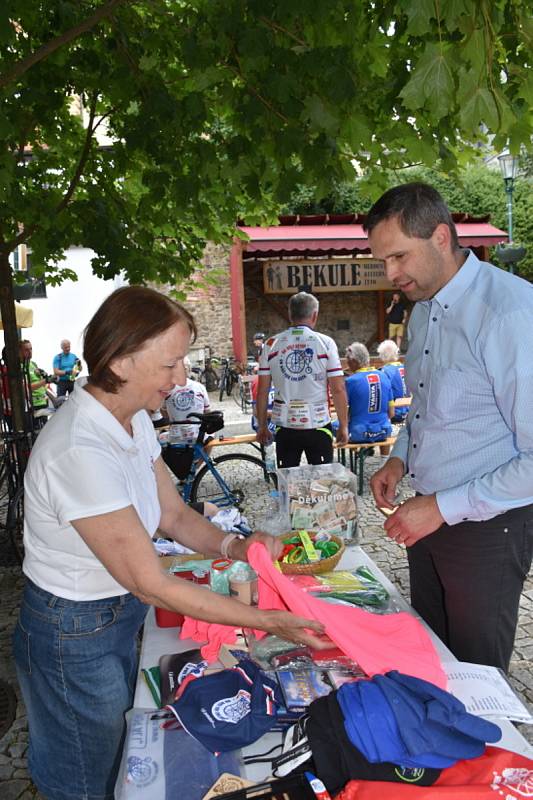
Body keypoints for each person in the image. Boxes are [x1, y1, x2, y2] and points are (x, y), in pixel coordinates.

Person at [13, 286, 328, 800]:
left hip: (113, 612)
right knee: (86, 777)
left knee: (119, 754)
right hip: (74, 628)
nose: (182, 378)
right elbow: (151, 583)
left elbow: (174, 515)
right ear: (119, 360)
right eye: (171, 365)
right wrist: (270, 622)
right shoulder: (80, 449)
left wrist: (237, 546)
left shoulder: (131, 416)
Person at [366, 181, 533, 672]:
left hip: (488, 524)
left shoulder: (511, 312)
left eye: (398, 257)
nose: (390, 274)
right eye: (383, 261)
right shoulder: (422, 312)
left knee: (477, 674)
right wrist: (399, 455)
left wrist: (439, 508)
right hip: (429, 513)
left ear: (441, 237)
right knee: (432, 661)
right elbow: (426, 408)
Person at [255, 291, 348, 467]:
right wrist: (343, 424)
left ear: (290, 314)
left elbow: (262, 391)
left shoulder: (270, 344)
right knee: (323, 485)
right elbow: (338, 389)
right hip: (318, 424)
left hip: (285, 426)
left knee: (288, 483)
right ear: (315, 315)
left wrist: (262, 426)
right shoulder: (326, 342)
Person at [344, 342, 393, 444]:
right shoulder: (384, 376)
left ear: (353, 361)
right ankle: (383, 456)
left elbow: (344, 415)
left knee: (334, 426)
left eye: (347, 361)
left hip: (359, 433)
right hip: (384, 431)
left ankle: (357, 455)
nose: (347, 364)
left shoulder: (350, 381)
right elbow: (391, 413)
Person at [163, 355, 211, 443]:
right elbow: (207, 412)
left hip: (175, 435)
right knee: (212, 435)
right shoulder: (199, 387)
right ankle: (204, 456)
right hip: (197, 434)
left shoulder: (167, 389)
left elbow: (164, 413)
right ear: (189, 369)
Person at [376, 339, 410, 423]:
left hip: (395, 415)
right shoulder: (406, 368)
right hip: (409, 412)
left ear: (383, 355)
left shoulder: (384, 372)